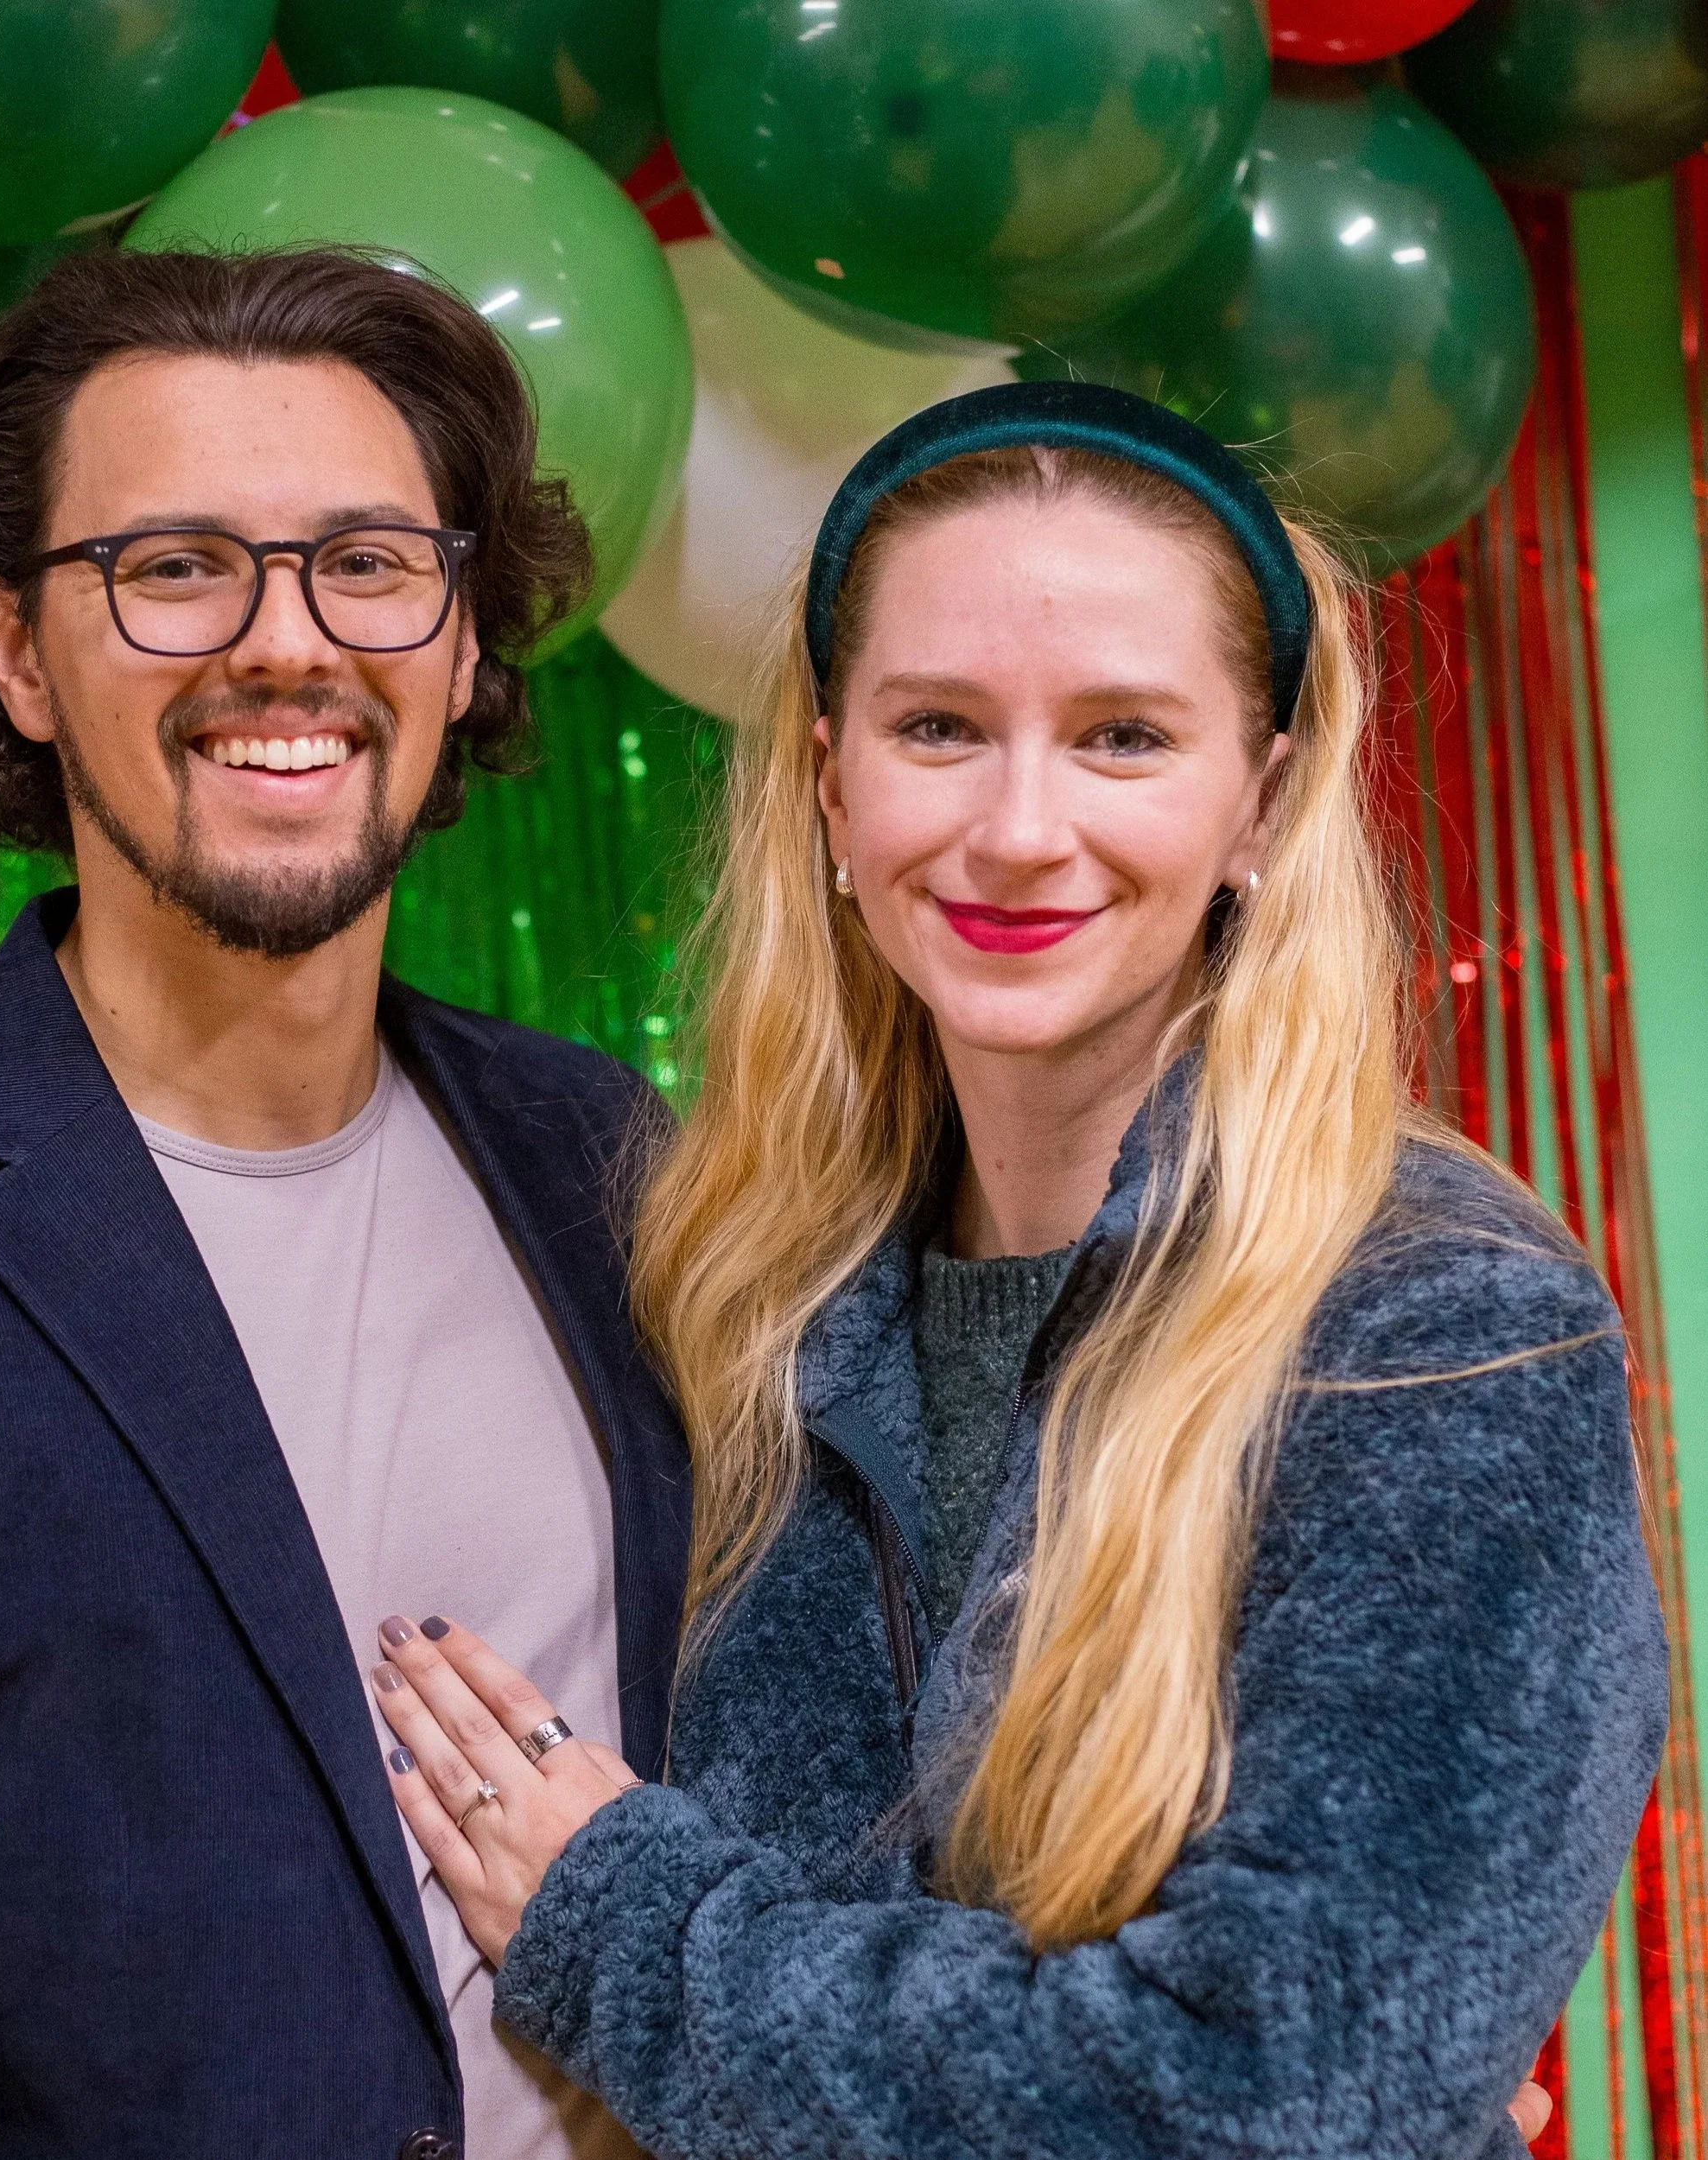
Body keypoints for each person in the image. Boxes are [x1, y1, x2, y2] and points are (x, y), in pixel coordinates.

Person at [362, 384, 1668, 2159]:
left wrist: (628, 1927)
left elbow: (1271, 2092)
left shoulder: (1433, 1328)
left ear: (1259, 800)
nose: (1017, 827)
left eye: (1122, 735)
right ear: (829, 785)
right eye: (936, 727)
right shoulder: (745, 1299)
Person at [0, 245, 687, 2160]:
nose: (284, 641)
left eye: (368, 561)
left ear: (464, 635)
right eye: (170, 567)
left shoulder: (616, 1167)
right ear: (15, 651)